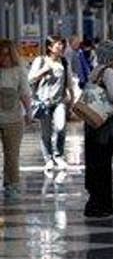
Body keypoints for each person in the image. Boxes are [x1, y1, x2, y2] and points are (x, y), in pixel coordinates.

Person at [83, 41, 113, 218]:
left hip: (93, 121)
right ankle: (99, 204)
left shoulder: (96, 69)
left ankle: (102, 203)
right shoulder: (108, 71)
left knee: (97, 162)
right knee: (103, 163)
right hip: (105, 124)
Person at [29, 35, 74, 170]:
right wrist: (43, 71)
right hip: (43, 102)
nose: (61, 47)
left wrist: (71, 99)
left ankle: (58, 156)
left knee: (60, 128)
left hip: (59, 101)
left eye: (62, 44)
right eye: (57, 45)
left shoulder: (64, 62)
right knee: (46, 133)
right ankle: (48, 158)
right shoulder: (40, 60)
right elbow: (30, 79)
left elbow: (69, 82)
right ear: (49, 47)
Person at [0, 40, 31, 201]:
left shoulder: (19, 71)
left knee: (12, 155)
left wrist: (29, 113)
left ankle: (12, 184)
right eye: (1, 54)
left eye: (7, 54)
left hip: (13, 120)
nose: (4, 58)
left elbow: (25, 93)